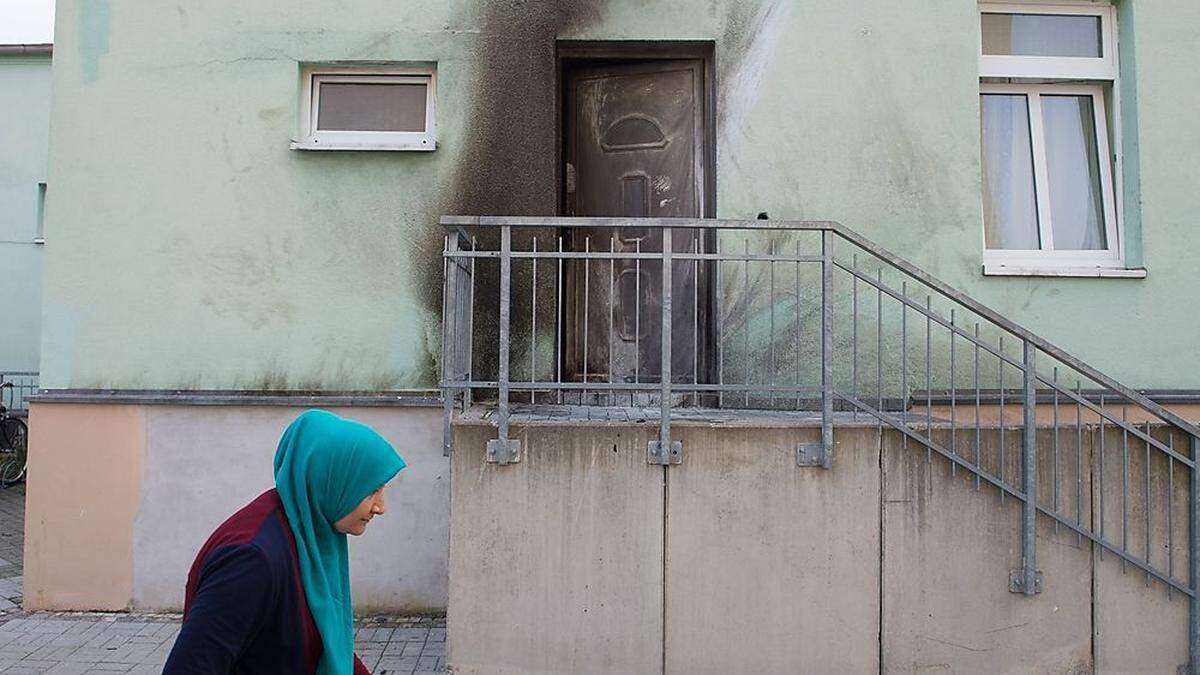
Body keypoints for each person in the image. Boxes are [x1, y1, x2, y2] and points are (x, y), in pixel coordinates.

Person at [163, 409, 407, 674]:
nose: (380, 507)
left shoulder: (310, 533)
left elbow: (324, 641)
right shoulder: (251, 560)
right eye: (371, 490)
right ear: (330, 480)